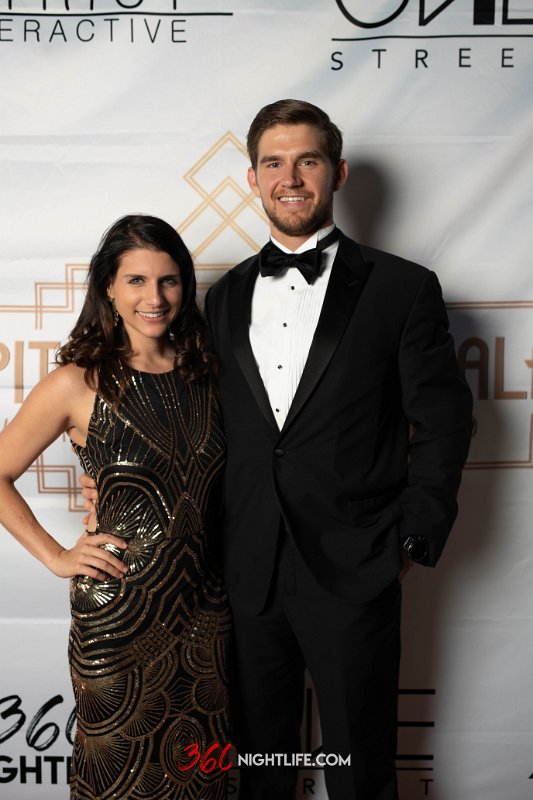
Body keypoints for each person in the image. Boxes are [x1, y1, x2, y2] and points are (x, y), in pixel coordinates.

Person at [202, 99, 473, 800]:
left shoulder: (401, 288)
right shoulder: (222, 297)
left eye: (308, 161)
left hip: (355, 563)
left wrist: (410, 537)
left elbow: (443, 421)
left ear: (338, 172)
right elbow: (202, 425)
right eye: (273, 163)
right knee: (261, 767)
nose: (289, 178)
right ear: (253, 179)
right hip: (248, 568)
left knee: (359, 768)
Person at [0, 214, 231, 800]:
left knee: (204, 778)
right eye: (136, 280)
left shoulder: (211, 372)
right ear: (108, 287)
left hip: (208, 611)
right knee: (118, 775)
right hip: (118, 615)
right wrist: (57, 556)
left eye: (169, 280)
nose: (155, 298)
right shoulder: (77, 383)